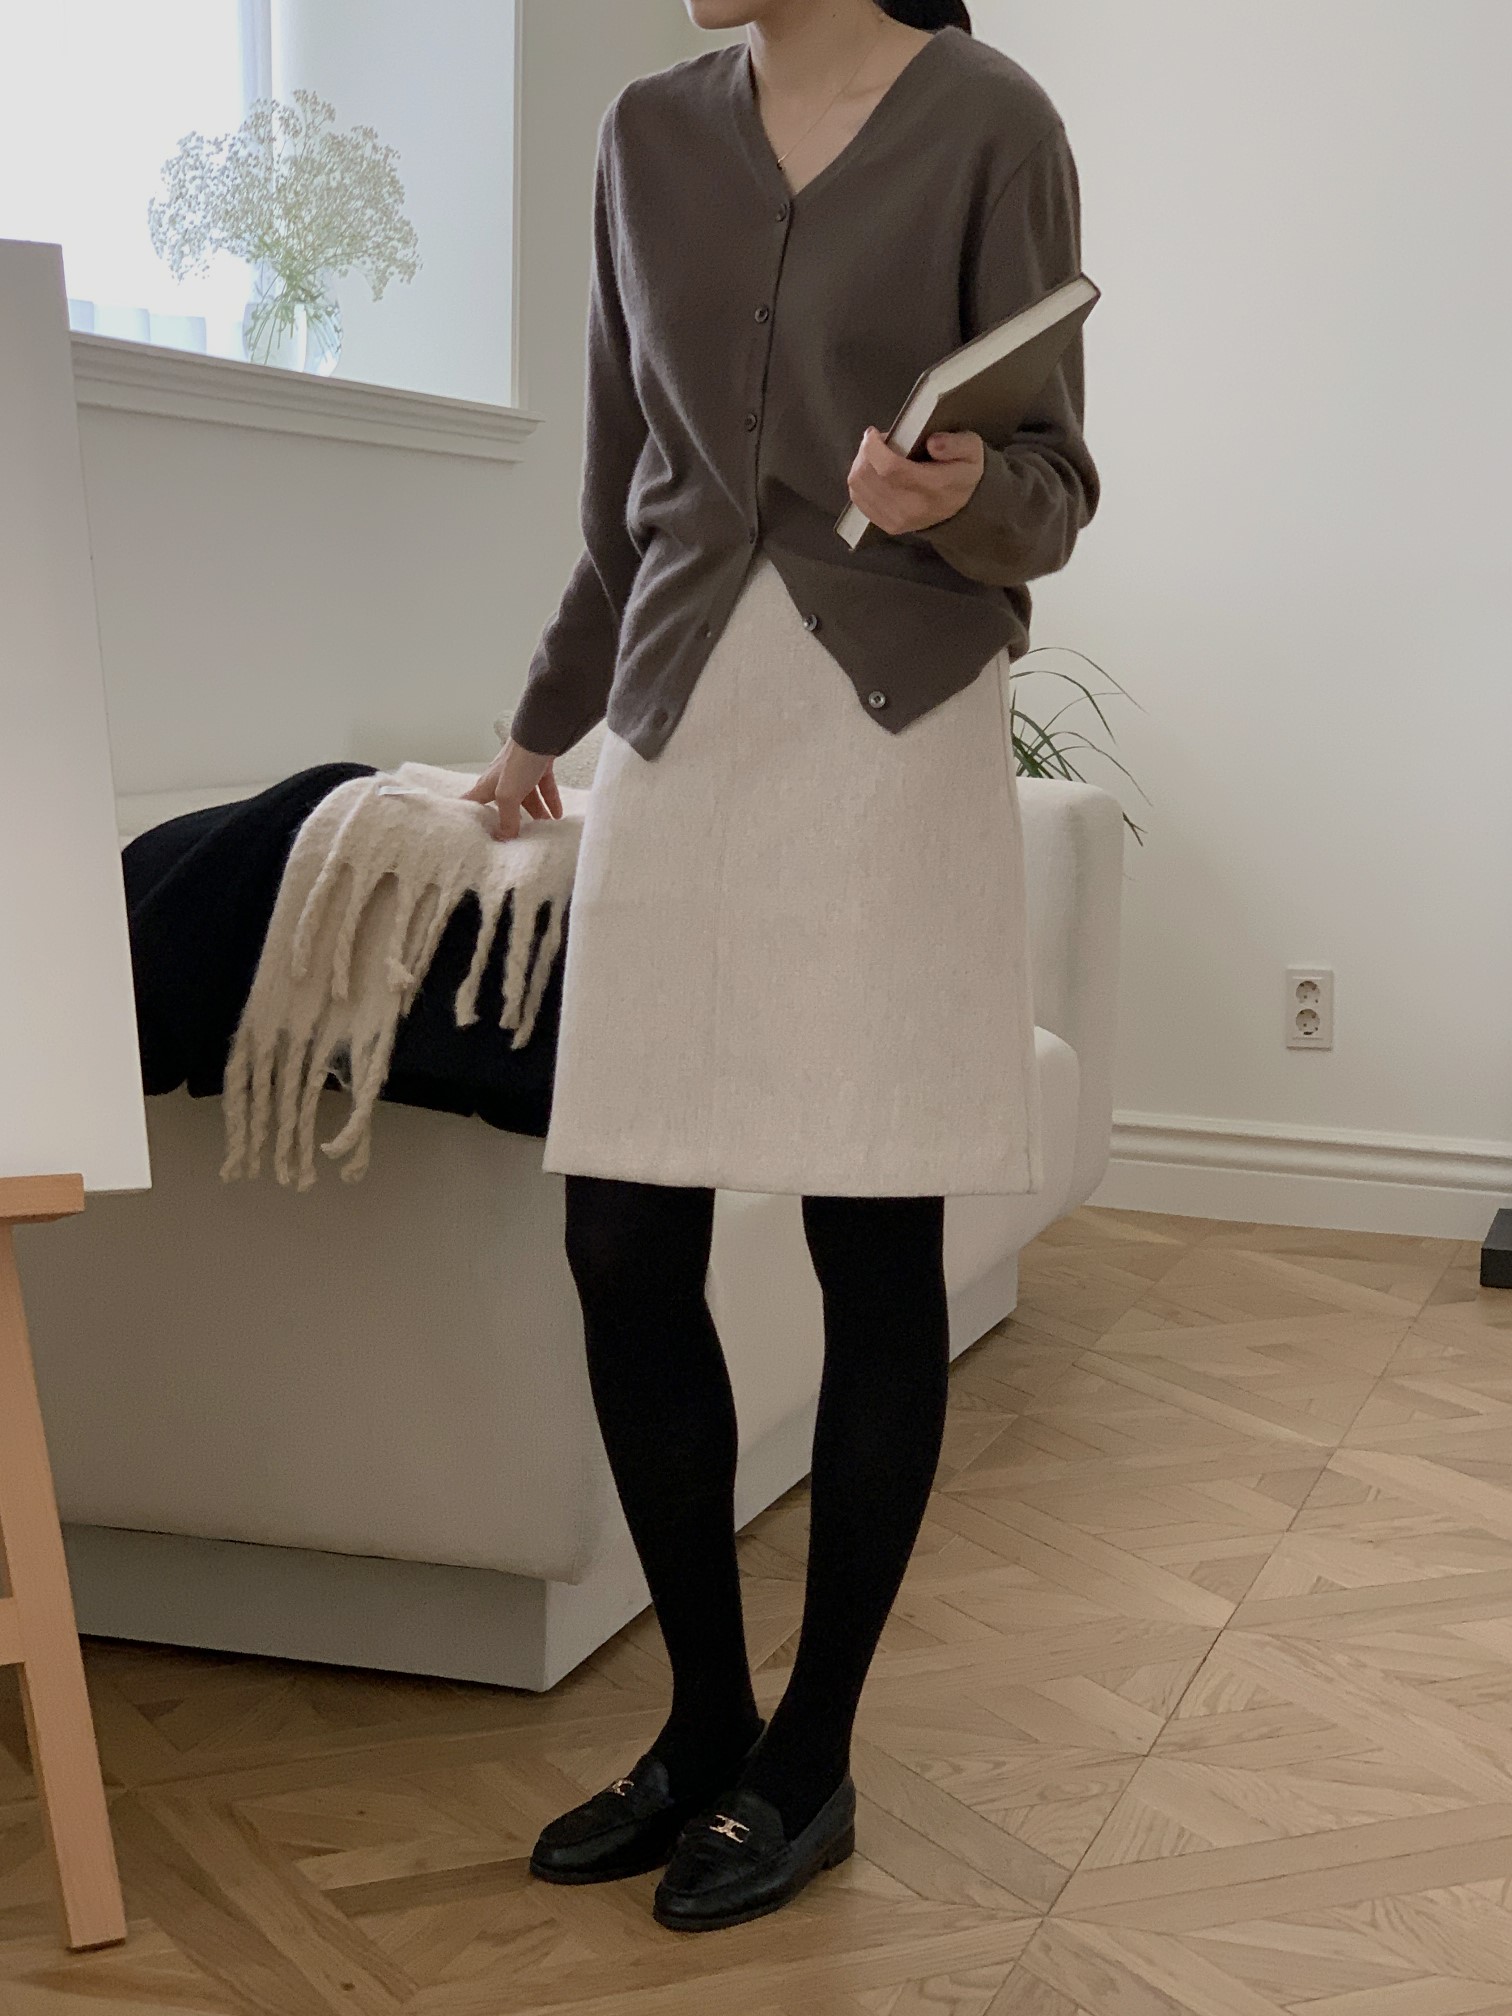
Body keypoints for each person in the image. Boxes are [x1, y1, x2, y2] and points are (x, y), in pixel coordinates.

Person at [465, 0, 1099, 1933]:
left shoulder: (992, 121)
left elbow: (1057, 488)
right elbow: (623, 482)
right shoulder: (646, 134)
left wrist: (958, 497)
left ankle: (808, 1756)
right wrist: (544, 721)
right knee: (619, 1235)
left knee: (869, 1241)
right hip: (679, 727)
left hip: (888, 735)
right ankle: (706, 1723)